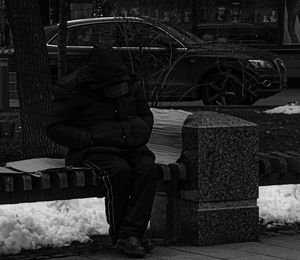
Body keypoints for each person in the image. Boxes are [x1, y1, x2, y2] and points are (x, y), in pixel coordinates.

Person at [45, 44, 157, 257]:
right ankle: (123, 237)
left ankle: (131, 235)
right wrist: (88, 140)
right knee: (120, 172)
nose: (117, 88)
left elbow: (145, 113)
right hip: (95, 149)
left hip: (130, 145)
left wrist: (139, 132)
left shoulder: (128, 83)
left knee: (147, 169)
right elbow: (54, 126)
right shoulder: (73, 89)